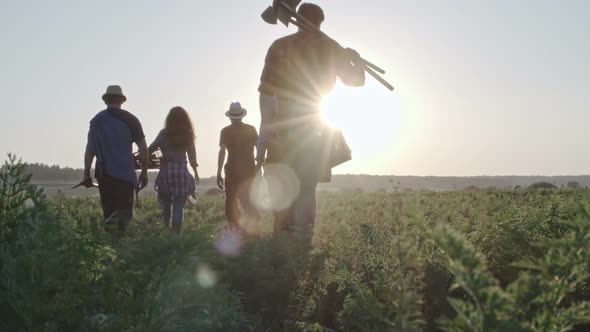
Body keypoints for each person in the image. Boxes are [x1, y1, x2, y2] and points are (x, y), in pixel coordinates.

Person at [256, 3, 366, 243]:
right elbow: (356, 80)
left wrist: (263, 138)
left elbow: (266, 95)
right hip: (316, 127)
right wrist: (357, 62)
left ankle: (282, 240)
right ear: (320, 22)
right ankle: (303, 241)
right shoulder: (331, 48)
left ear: (297, 20)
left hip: (283, 127)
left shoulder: (280, 46)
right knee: (307, 188)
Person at [84, 85, 148, 237]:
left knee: (109, 215)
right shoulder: (131, 120)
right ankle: (121, 248)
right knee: (124, 215)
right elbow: (144, 149)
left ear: (106, 101)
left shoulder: (96, 122)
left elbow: (90, 150)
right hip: (125, 176)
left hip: (104, 176)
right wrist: (144, 172)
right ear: (121, 101)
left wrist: (86, 173)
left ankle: (110, 250)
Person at [149, 106, 199, 234]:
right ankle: (176, 236)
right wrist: (196, 172)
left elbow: (151, 149)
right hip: (181, 173)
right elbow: (192, 155)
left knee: (165, 206)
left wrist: (159, 155)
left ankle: (166, 229)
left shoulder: (164, 133)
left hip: (165, 173)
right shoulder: (188, 135)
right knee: (178, 206)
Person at [217, 102, 259, 229]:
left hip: (231, 170)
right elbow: (260, 149)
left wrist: (218, 172)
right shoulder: (251, 129)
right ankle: (252, 226)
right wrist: (259, 167)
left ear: (230, 117)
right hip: (249, 169)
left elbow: (222, 151)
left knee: (231, 199)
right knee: (248, 199)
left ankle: (235, 228)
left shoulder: (225, 131)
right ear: (241, 115)